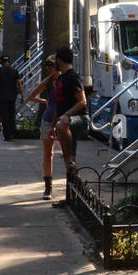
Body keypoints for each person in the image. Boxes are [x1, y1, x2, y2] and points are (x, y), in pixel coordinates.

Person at [38, 46, 87, 192]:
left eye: (56, 59)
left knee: (62, 125)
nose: (55, 63)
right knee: (69, 162)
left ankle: (70, 158)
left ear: (60, 59)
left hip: (79, 118)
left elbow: (82, 101)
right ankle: (72, 193)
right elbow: (57, 106)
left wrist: (66, 115)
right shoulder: (61, 79)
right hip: (63, 123)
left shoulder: (73, 77)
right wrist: (53, 125)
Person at [0, 55, 22, 140]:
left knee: (4, 115)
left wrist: (0, 83)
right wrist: (22, 95)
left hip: (2, 95)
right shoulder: (14, 70)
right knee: (12, 114)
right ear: (9, 61)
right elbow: (19, 83)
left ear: (1, 62)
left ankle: (7, 135)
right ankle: (12, 132)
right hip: (12, 95)